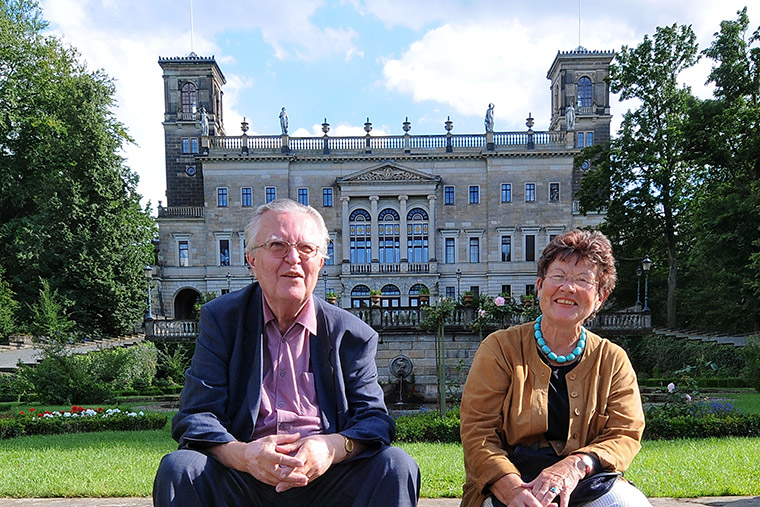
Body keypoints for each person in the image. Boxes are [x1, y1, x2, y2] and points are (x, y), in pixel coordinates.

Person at [153, 198, 420, 506]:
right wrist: (244, 456)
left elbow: (375, 421)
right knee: (180, 468)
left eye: (306, 248)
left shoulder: (351, 333)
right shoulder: (222, 319)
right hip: (244, 476)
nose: (293, 258)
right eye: (277, 245)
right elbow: (196, 416)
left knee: (395, 466)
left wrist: (332, 448)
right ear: (251, 258)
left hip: (326, 480)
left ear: (320, 261)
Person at [460, 230, 649, 507]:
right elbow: (478, 432)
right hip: (509, 483)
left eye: (583, 280)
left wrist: (576, 464)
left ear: (600, 297)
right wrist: (512, 490)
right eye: (558, 276)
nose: (568, 288)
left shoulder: (612, 358)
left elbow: (625, 433)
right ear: (540, 286)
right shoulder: (499, 348)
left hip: (586, 481)